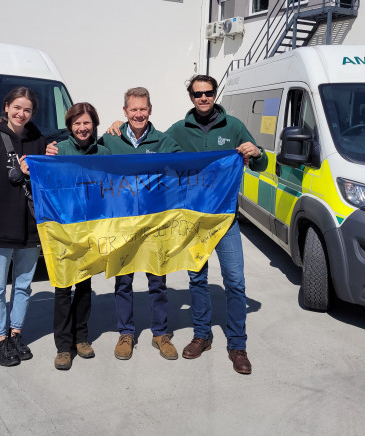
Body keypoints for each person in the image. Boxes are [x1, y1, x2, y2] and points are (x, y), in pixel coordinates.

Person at [167, 74, 268, 375]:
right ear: (191, 97)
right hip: (194, 220)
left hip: (226, 219)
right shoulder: (178, 130)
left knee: (235, 281)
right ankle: (202, 335)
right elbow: (150, 151)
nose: (203, 98)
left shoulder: (234, 127)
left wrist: (256, 153)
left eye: (208, 93)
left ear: (215, 94)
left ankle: (237, 345)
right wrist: (118, 131)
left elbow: (261, 164)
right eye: (198, 94)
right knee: (197, 279)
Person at [99, 87, 182, 361]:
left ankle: (160, 333)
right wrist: (54, 153)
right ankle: (126, 333)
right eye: (133, 109)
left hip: (155, 224)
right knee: (123, 282)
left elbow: (188, 166)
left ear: (150, 110)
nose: (138, 114)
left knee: (157, 281)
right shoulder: (111, 139)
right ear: (124, 112)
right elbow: (84, 157)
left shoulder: (163, 141)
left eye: (142, 109)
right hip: (121, 224)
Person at [0, 87, 45, 367]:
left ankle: (16, 333)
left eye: (27, 110)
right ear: (6, 107)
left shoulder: (39, 141)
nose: (21, 114)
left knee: (23, 285)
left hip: (30, 224)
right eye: (17, 107)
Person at [45, 102, 110, 370]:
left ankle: (81, 338)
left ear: (94, 124)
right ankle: (63, 346)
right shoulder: (57, 150)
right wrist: (45, 158)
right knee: (63, 288)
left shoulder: (104, 152)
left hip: (92, 229)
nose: (82, 128)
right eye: (77, 123)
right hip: (63, 229)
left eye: (87, 123)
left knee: (84, 286)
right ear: (70, 126)